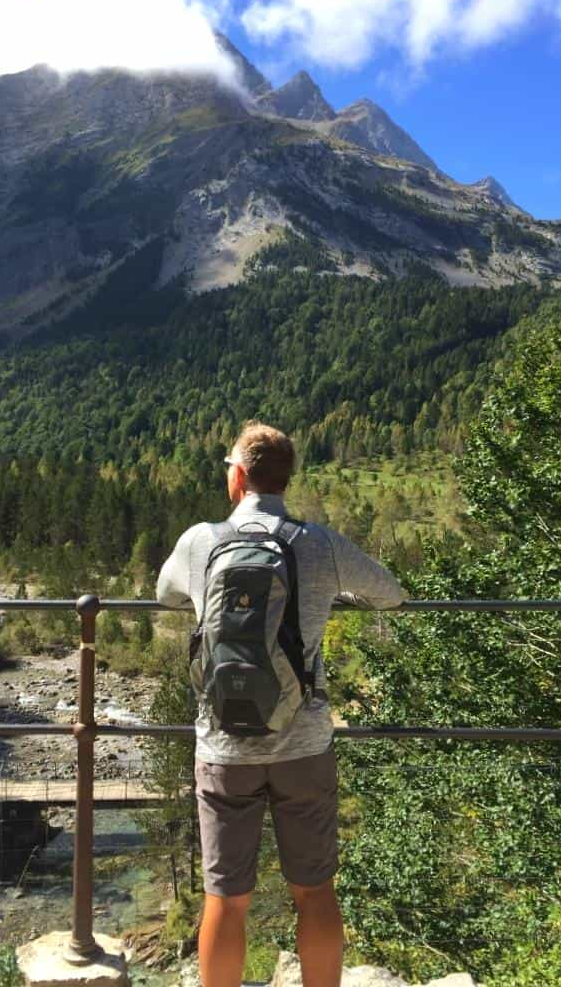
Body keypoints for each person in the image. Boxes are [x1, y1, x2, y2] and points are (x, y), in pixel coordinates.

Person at [156, 422, 406, 987]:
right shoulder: (318, 543)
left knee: (225, 897)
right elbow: (391, 592)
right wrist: (328, 593)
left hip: (223, 745)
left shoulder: (201, 541)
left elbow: (162, 592)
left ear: (238, 476)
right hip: (303, 743)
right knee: (314, 891)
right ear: (285, 480)